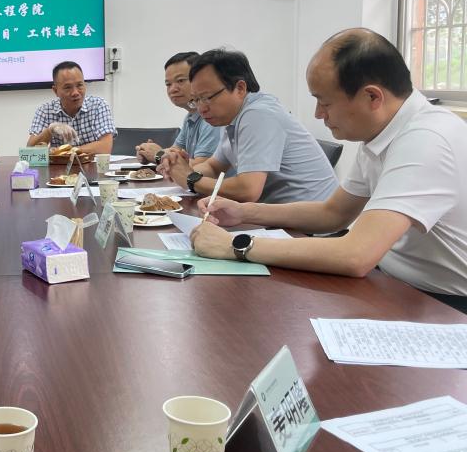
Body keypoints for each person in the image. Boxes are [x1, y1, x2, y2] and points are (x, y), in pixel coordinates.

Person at [192, 29, 467, 314]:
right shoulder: (381, 134)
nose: (318, 114)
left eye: (324, 102)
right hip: (393, 282)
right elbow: (333, 213)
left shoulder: (426, 140)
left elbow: (356, 255)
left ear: (372, 96)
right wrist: (244, 212)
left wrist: (234, 245)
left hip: (445, 305)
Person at [158, 48, 337, 203]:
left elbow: (248, 190)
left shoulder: (258, 114)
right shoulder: (232, 118)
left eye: (207, 98)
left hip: (311, 224)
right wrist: (179, 170)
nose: (201, 109)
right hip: (276, 215)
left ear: (240, 88)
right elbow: (213, 167)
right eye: (196, 100)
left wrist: (190, 179)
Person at [136, 51, 221, 166]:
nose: (172, 89)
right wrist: (147, 152)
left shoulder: (211, 117)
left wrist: (158, 155)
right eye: (168, 84)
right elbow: (174, 152)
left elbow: (201, 167)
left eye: (180, 80)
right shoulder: (190, 116)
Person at [26, 61, 116, 154]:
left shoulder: (98, 105)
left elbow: (105, 147)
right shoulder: (45, 111)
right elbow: (30, 152)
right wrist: (49, 131)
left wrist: (68, 151)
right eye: (68, 87)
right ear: (56, 91)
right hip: (60, 164)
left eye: (79, 85)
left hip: (91, 163)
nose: (75, 93)